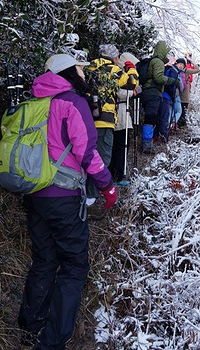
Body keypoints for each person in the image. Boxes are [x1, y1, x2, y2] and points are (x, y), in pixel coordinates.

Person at [18, 54, 117, 350]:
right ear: (68, 73)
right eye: (79, 69)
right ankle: (52, 342)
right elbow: (87, 153)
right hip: (63, 197)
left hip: (34, 195)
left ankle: (29, 325)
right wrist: (107, 186)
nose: (84, 74)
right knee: (74, 265)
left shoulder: (33, 102)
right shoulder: (73, 103)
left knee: (45, 259)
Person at [86, 44, 138, 196]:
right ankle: (92, 197)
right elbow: (132, 83)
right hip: (105, 120)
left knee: (89, 157)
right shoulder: (113, 69)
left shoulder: (90, 67)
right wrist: (131, 68)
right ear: (114, 58)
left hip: (88, 119)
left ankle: (86, 193)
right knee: (101, 160)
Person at [140, 40, 180, 153]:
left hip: (148, 92)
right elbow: (158, 78)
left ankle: (148, 143)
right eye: (166, 51)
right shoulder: (157, 62)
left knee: (151, 118)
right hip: (153, 93)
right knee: (151, 118)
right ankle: (147, 146)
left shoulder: (154, 61)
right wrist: (172, 81)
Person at [109, 52, 139, 184]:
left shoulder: (116, 73)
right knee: (119, 145)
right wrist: (133, 92)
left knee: (120, 145)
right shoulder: (117, 74)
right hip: (118, 114)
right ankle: (117, 174)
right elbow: (117, 92)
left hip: (121, 114)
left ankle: (116, 173)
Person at [162, 58, 186, 137]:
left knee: (169, 113)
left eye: (183, 66)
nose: (181, 66)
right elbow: (181, 88)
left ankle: (167, 130)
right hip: (173, 96)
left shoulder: (171, 70)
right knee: (178, 111)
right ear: (176, 63)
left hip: (169, 96)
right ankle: (171, 125)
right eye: (180, 64)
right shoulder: (176, 73)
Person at [178, 53, 200, 127]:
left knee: (183, 114)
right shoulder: (174, 71)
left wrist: (191, 61)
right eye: (179, 64)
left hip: (185, 97)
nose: (180, 66)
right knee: (177, 114)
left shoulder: (186, 71)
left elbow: (197, 70)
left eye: (182, 64)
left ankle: (182, 128)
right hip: (176, 97)